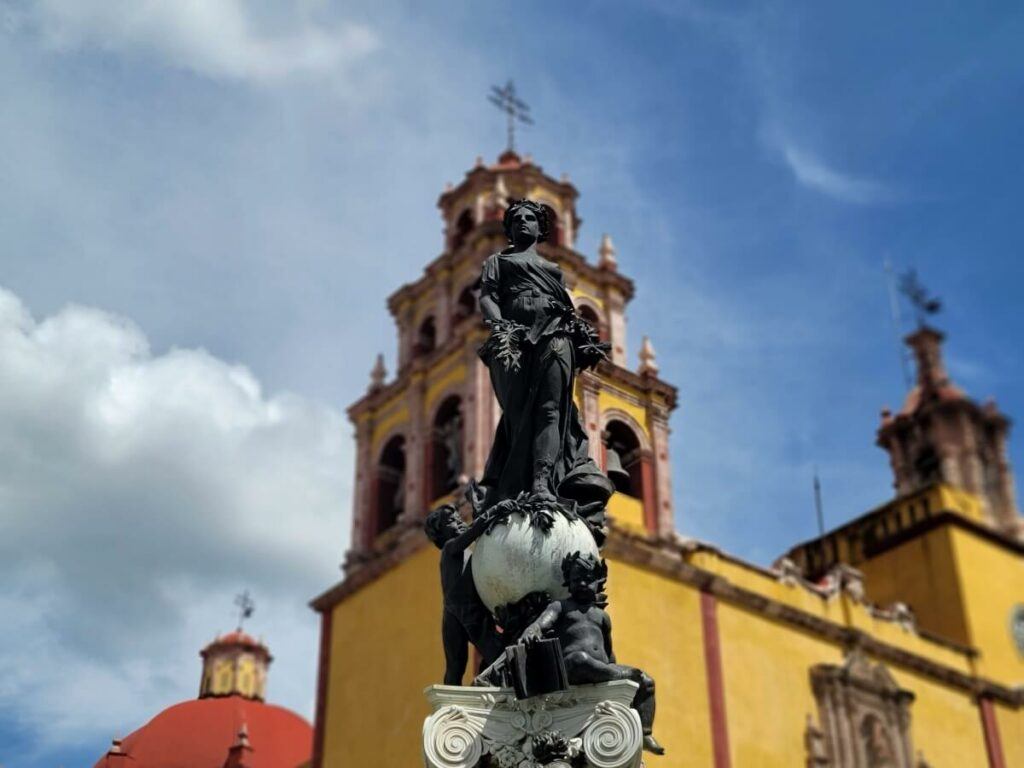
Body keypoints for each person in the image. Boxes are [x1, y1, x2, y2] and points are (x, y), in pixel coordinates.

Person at [477, 200, 612, 510]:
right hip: (513, 337)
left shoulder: (554, 271)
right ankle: (512, 481)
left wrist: (583, 339)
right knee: (518, 413)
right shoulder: (497, 261)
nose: (523, 222)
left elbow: (567, 310)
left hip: (555, 332)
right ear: (509, 229)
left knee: (552, 410)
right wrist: (501, 328)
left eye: (530, 218)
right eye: (516, 219)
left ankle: (542, 481)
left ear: (541, 228)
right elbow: (488, 297)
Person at [519, 552, 665, 755]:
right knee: (580, 659)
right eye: (576, 579)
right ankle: (612, 676)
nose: (582, 584)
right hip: (572, 667)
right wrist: (533, 630)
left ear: (599, 582)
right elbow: (543, 622)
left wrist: (617, 673)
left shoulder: (602, 616)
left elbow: (609, 652)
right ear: (568, 582)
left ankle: (645, 733)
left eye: (588, 579)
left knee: (646, 681)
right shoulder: (561, 606)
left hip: (602, 669)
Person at [424, 499, 514, 685]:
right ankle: (451, 702)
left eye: (458, 518)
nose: (458, 522)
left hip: (454, 612)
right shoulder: (450, 548)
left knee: (457, 664)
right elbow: (472, 532)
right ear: (439, 534)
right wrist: (494, 511)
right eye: (451, 521)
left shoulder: (468, 552)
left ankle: (473, 687)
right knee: (485, 655)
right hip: (467, 611)